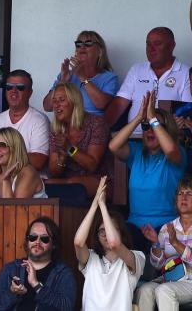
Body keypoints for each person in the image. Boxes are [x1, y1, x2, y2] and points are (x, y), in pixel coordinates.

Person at [109, 90, 186, 254]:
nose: (150, 130)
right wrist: (139, 118)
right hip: (134, 226)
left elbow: (170, 150)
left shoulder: (177, 153)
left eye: (156, 126)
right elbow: (113, 146)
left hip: (166, 227)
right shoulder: (136, 152)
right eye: (146, 127)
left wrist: (152, 119)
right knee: (116, 239)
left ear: (167, 131)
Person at [74, 178, 144, 311]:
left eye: (110, 229)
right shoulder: (91, 258)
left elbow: (114, 244)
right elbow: (78, 242)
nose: (106, 234)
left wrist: (103, 206)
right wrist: (95, 204)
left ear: (121, 233)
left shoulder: (137, 257)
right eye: (102, 231)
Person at [105, 27, 192, 132]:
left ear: (171, 46)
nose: (151, 49)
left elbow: (187, 111)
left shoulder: (186, 73)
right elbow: (119, 104)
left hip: (168, 137)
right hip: (134, 136)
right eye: (148, 44)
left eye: (157, 44)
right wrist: (102, 129)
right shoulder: (137, 70)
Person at [0, 217, 76, 311]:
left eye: (44, 238)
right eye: (33, 237)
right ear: (27, 241)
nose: (37, 242)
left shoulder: (63, 273)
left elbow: (67, 307)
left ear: (54, 244)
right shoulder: (10, 269)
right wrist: (12, 293)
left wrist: (36, 285)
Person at [0, 70, 49, 171]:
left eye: (20, 87)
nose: (13, 91)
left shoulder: (40, 120)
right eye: (9, 87)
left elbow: (38, 161)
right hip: (1, 178)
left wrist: (3, 153)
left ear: (30, 93)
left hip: (28, 179)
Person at [137, 179, 192, 310]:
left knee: (164, 290)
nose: (184, 197)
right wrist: (155, 243)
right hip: (170, 279)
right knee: (144, 290)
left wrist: (175, 243)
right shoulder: (167, 228)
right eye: (180, 193)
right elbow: (159, 265)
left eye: (189, 193)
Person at [47, 82, 108, 195]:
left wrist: (69, 149)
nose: (56, 105)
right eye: (54, 101)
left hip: (97, 180)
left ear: (74, 102)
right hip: (67, 182)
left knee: (74, 184)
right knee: (44, 184)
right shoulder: (56, 129)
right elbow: (54, 172)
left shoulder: (96, 123)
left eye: (61, 100)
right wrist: (61, 158)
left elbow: (92, 166)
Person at [42, 31, 118, 116]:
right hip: (67, 123)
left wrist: (83, 78)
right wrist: (62, 82)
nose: (82, 47)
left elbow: (101, 105)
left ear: (100, 51)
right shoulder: (66, 74)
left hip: (91, 123)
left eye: (88, 43)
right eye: (78, 44)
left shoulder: (109, 78)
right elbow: (47, 107)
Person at [0, 127, 47, 199]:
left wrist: (6, 181)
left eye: (3, 145)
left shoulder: (28, 173)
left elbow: (14, 206)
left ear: (15, 148)